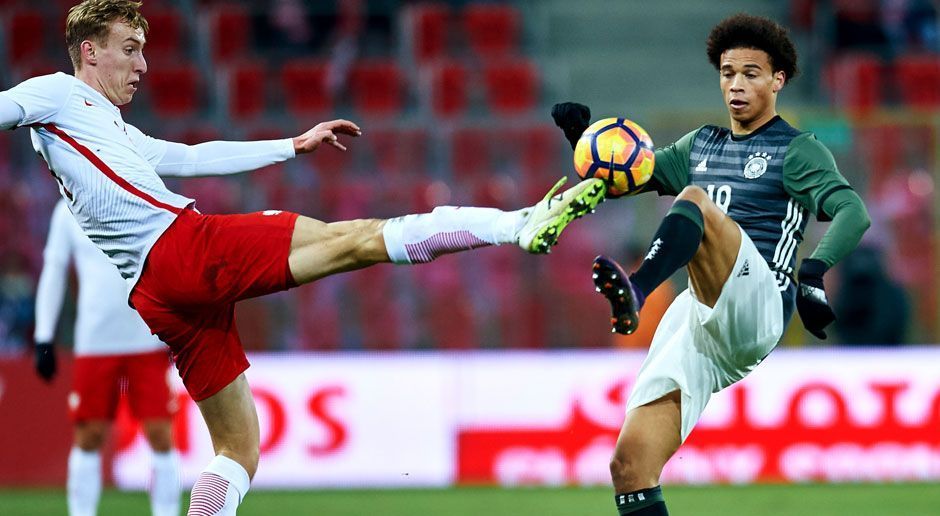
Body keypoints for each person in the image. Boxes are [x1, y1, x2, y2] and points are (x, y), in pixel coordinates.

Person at [0, 1, 606, 514]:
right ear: (87, 52)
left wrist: (291, 145)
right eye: (129, 49)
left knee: (239, 450)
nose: (142, 64)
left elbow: (186, 157)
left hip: (158, 295)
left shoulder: (107, 126)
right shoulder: (54, 94)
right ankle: (518, 225)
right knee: (359, 239)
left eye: (144, 50)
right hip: (183, 248)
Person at [552, 14, 870, 515]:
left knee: (696, 200)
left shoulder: (796, 150)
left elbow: (853, 211)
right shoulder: (700, 144)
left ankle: (637, 292)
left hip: (761, 303)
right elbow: (627, 175)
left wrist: (814, 270)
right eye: (727, 73)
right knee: (630, 467)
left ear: (777, 79)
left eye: (751, 73)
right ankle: (641, 295)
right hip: (699, 314)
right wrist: (584, 144)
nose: (736, 85)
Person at [34, 199, 180, 516]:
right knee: (89, 435)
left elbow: (172, 264)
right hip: (95, 341)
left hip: (147, 339)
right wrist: (44, 335)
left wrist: (177, 322)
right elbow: (54, 271)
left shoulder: (142, 200)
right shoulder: (66, 211)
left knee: (160, 433)